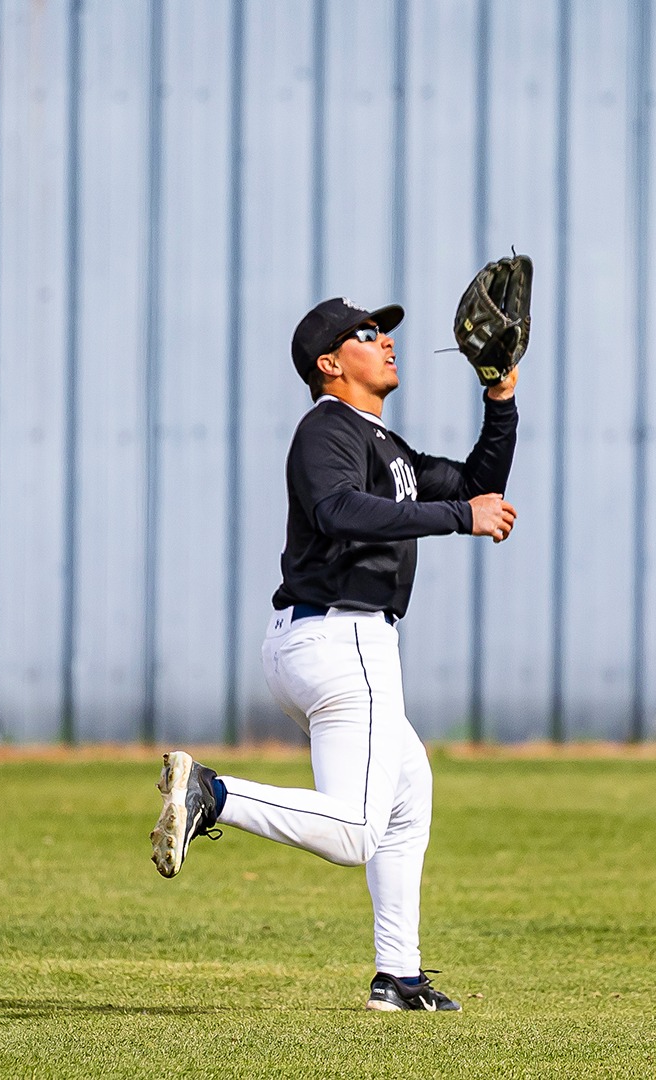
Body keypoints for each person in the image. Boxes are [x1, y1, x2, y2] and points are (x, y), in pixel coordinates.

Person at [149, 296, 519, 1012]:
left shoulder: (385, 445)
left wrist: (499, 393)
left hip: (321, 640)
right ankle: (212, 794)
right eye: (368, 333)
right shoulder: (327, 428)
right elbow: (338, 510)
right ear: (330, 362)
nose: (386, 343)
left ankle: (399, 977)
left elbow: (478, 487)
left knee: (409, 794)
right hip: (345, 637)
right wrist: (455, 520)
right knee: (355, 829)